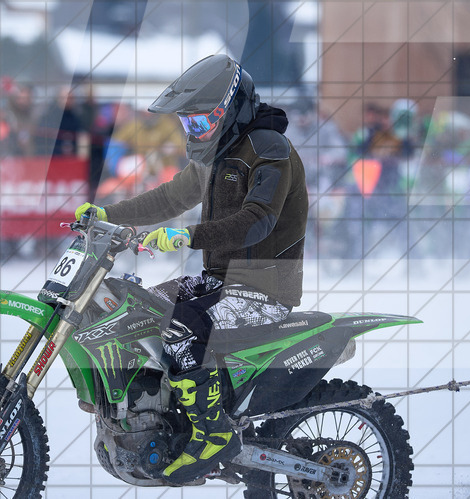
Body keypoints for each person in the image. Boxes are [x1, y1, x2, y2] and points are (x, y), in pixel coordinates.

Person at [73, 54, 308, 483]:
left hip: (264, 289)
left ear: (231, 108)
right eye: (189, 125)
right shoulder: (215, 155)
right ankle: (153, 416)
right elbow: (167, 199)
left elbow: (258, 220)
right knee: (135, 310)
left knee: (180, 332)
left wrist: (188, 237)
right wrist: (107, 214)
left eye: (201, 122)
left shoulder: (270, 150)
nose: (195, 132)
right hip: (219, 282)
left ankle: (213, 433)